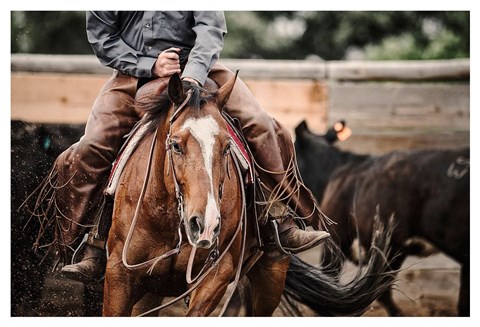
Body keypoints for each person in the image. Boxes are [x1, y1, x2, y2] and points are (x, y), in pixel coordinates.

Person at [39, 11, 330, 283]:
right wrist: (149, 65)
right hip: (132, 75)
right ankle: (88, 243)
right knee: (92, 145)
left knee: (260, 125)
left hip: (201, 67)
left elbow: (210, 27)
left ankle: (280, 220)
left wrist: (193, 73)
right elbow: (103, 38)